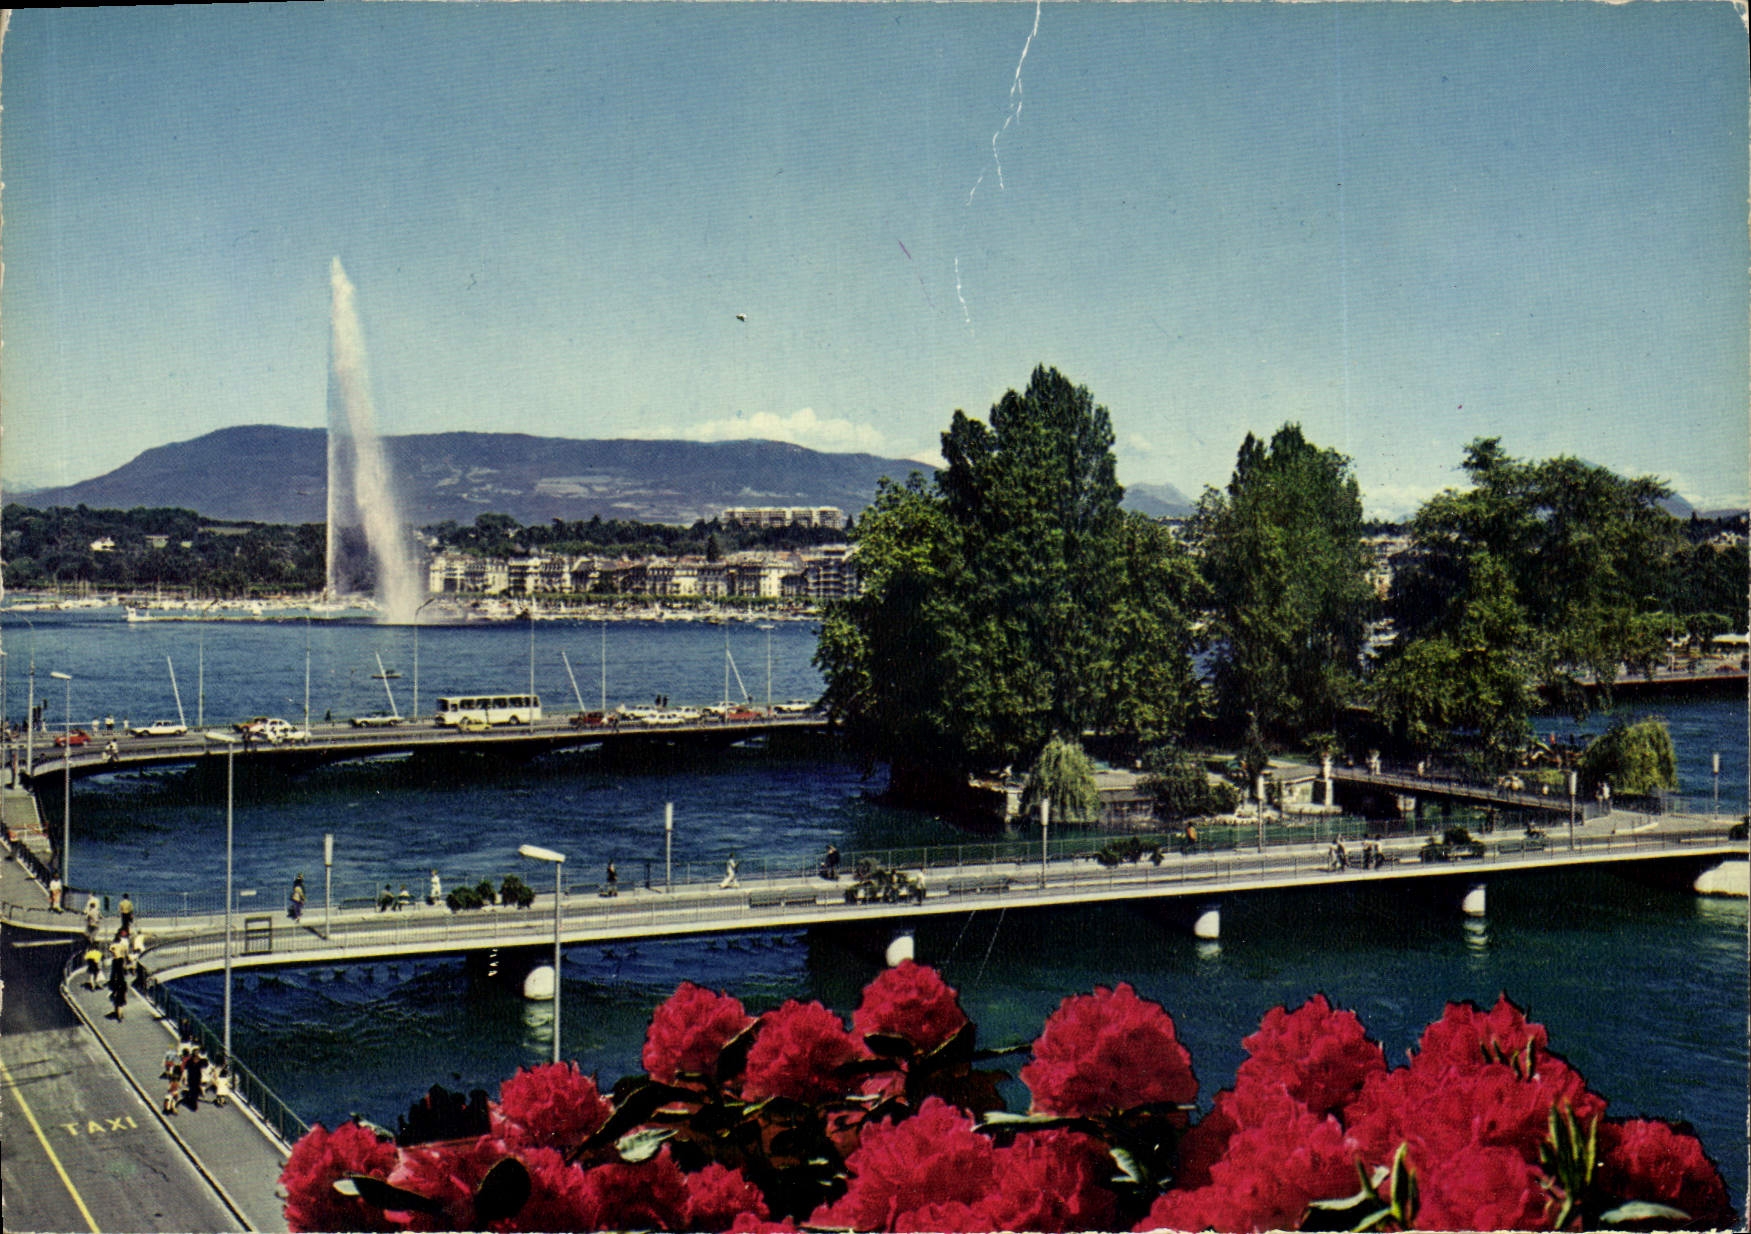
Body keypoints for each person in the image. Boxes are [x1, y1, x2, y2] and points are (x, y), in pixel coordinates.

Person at [107, 953, 128, 1021]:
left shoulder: (114, 975)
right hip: (121, 988)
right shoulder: (122, 977)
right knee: (120, 1004)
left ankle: (119, 1015)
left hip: (117, 988)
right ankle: (120, 1015)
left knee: (117, 1003)